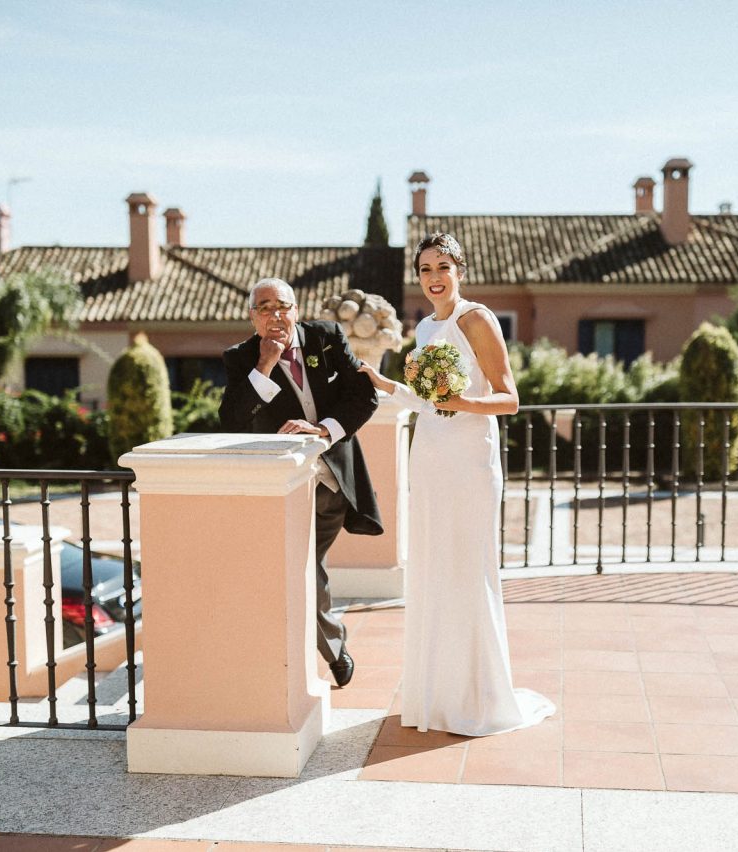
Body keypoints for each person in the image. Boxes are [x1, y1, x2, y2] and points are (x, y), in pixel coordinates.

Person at [359, 233, 555, 736]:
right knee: (434, 568)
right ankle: (438, 697)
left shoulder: (476, 318)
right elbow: (429, 403)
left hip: (469, 461)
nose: (434, 277)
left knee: (467, 569)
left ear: (460, 270)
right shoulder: (424, 327)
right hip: (429, 456)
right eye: (425, 269)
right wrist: (390, 388)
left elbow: (509, 399)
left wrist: (459, 403)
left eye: (442, 266)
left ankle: (479, 696)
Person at [218, 277, 382, 687]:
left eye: (283, 306)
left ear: (296, 310)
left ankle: (327, 649)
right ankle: (334, 649)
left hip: (333, 481)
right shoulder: (240, 359)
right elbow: (232, 421)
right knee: (299, 565)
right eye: (266, 307)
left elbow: (364, 397)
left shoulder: (326, 337)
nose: (276, 315)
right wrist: (265, 366)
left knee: (299, 564)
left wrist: (322, 429)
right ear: (252, 317)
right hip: (283, 486)